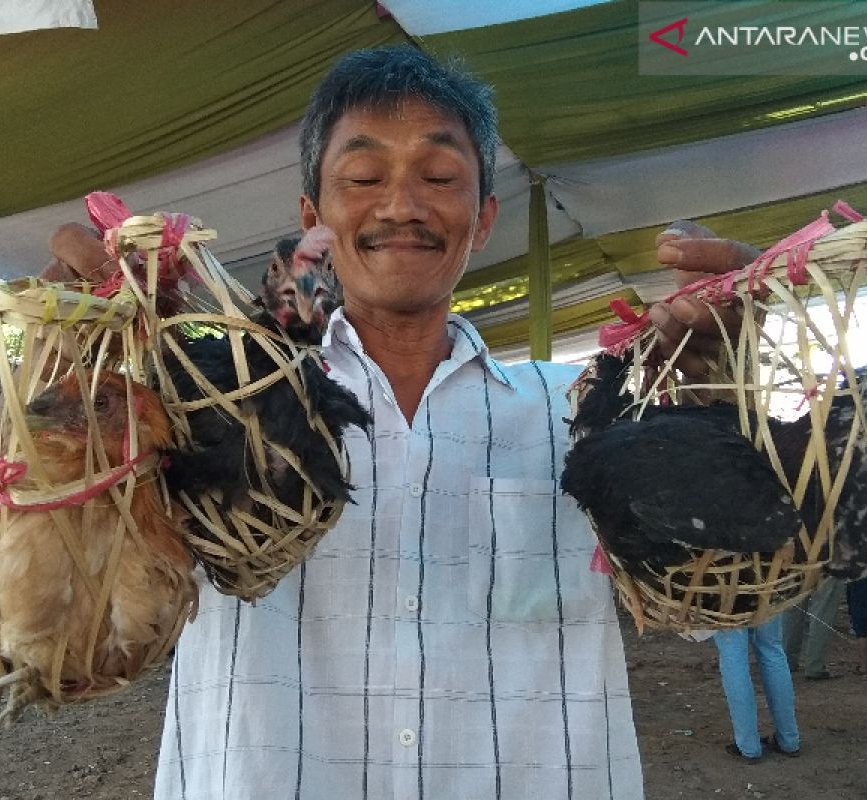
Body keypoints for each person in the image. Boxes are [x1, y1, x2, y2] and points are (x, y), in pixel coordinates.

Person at [42, 45, 755, 799]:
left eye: (440, 177)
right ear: (313, 220)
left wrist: (722, 401)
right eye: (364, 177)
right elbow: (83, 623)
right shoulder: (203, 408)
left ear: (482, 219)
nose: (401, 206)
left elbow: (708, 606)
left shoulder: (582, 414)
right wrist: (71, 389)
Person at [713, 617, 801, 762]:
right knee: (772, 650)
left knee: (733, 657)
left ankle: (748, 747)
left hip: (730, 601)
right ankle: (789, 740)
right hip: (768, 596)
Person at [782, 575, 844, 679]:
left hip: (797, 563)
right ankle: (815, 666)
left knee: (793, 608)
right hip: (829, 565)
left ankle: (786, 661)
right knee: (823, 611)